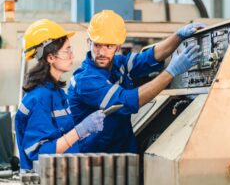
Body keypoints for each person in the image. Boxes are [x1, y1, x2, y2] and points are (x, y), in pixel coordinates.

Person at [68, 10, 205, 153]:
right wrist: (171, 71)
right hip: (96, 160)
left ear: (118, 46)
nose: (102, 52)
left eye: (108, 46)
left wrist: (178, 36)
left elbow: (148, 58)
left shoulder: (118, 64)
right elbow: (128, 101)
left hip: (123, 152)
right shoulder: (85, 79)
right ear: (89, 42)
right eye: (97, 45)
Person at [15, 19, 106, 171]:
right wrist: (81, 130)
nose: (72, 55)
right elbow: (39, 154)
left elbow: (60, 137)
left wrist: (85, 132)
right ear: (50, 57)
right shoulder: (40, 98)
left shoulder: (56, 92)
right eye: (67, 50)